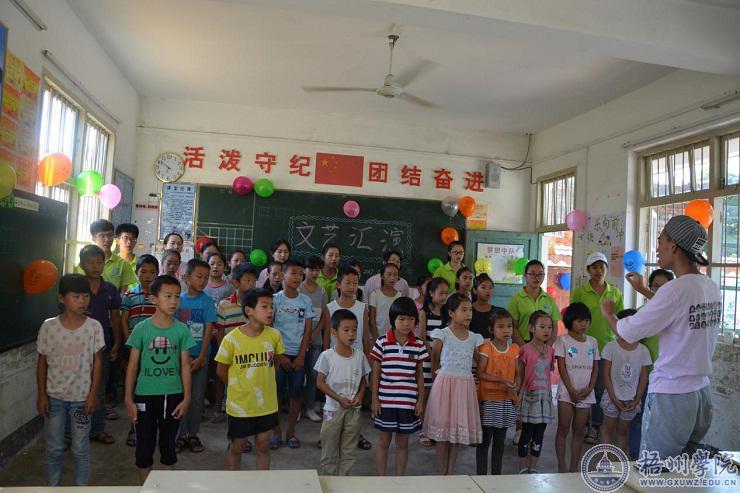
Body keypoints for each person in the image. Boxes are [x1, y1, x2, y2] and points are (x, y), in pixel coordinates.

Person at [600, 215, 720, 461]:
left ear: (673, 245)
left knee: (657, 471)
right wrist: (644, 290)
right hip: (700, 394)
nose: (657, 248)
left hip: (672, 395)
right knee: (685, 470)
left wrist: (609, 315)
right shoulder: (709, 285)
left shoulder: (674, 290)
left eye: (660, 241)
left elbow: (627, 332)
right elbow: (677, 310)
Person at [124, 275, 194, 483]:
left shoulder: (181, 330)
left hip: (173, 396)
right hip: (144, 395)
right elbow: (132, 366)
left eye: (177, 296)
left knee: (168, 447)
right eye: (168, 296)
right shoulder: (141, 329)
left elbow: (185, 366)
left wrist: (187, 398)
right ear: (154, 299)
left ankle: (165, 488)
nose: (173, 301)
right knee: (144, 448)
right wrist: (128, 399)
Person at [37, 274, 104, 486]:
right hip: (54, 398)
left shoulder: (94, 327)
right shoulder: (49, 327)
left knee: (80, 448)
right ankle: (52, 488)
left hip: (82, 400)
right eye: (76, 296)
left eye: (86, 296)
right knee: (54, 448)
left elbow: (98, 362)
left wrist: (93, 394)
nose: (82, 301)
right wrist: (42, 395)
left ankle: (80, 488)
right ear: (62, 298)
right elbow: (42, 362)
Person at [215, 288, 288, 471]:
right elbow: (221, 371)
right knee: (237, 447)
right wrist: (239, 387)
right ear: (249, 310)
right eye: (264, 306)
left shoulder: (274, 335)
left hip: (267, 404)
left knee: (263, 445)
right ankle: (233, 483)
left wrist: (263, 381)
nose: (270, 311)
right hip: (240, 405)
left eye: (272, 306)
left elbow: (276, 362)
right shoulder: (231, 339)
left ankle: (261, 484)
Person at [424, 293, 484, 475]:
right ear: (451, 313)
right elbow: (434, 360)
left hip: (464, 387)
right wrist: (438, 382)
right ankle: (440, 472)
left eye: (470, 310)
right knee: (443, 435)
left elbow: (480, 361)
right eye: (463, 310)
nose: (469, 314)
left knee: (456, 434)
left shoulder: (474, 337)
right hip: (444, 387)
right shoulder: (442, 334)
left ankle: (450, 473)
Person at [570, 252, 623, 444]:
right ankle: (582, 424)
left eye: (602, 267)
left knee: (600, 389)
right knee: (583, 386)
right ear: (588, 270)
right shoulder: (579, 292)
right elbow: (572, 319)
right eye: (594, 267)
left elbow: (620, 321)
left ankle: (596, 426)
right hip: (583, 348)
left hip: (607, 348)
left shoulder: (615, 292)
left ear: (606, 269)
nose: (598, 271)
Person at [370, 297, 428, 476]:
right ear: (393, 319)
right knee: (383, 442)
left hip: (407, 403)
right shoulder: (382, 342)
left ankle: (399, 480)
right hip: (385, 402)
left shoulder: (418, 345)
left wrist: (420, 401)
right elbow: (376, 374)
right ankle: (382, 479)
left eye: (411, 319)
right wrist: (374, 400)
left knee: (403, 444)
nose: (406, 323)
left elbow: (419, 376)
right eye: (401, 319)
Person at [624, 268, 675, 459]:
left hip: (669, 378)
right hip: (644, 377)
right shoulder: (642, 313)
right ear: (649, 287)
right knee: (639, 418)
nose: (659, 291)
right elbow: (630, 342)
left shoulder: (676, 313)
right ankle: (635, 458)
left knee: (664, 423)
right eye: (655, 286)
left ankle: (660, 462)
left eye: (665, 287)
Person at [315, 309, 371, 476]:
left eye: (354, 329)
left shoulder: (359, 355)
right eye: (346, 330)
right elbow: (320, 382)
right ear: (334, 332)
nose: (351, 334)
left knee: (349, 449)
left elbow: (363, 380)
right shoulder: (327, 356)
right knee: (329, 447)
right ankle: (329, 480)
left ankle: (344, 479)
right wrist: (338, 399)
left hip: (353, 410)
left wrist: (360, 396)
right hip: (332, 410)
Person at [325, 266, 374, 452]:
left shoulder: (362, 308)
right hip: (335, 361)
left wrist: (368, 359)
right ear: (338, 284)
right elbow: (326, 337)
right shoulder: (330, 307)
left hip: (355, 360)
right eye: (348, 283)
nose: (352, 286)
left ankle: (355, 434)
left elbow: (366, 336)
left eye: (355, 283)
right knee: (332, 399)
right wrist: (325, 360)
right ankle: (329, 433)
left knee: (354, 399)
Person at [78, 244, 121, 444]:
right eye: (90, 263)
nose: (96, 266)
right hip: (77, 346)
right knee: (78, 389)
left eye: (99, 262)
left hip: (102, 346)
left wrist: (117, 342)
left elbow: (115, 318)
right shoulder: (77, 288)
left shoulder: (110, 289)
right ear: (81, 265)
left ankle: (97, 429)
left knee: (99, 388)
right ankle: (76, 430)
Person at [271, 259, 315, 449]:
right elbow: (269, 329)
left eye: (300, 274)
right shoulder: (275, 300)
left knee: (296, 394)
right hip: (278, 356)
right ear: (283, 275)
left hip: (298, 357)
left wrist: (301, 356)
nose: (298, 277)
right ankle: (276, 432)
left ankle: (291, 432)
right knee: (275, 394)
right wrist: (279, 356)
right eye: (293, 273)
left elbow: (308, 331)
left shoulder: (305, 301)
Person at [176, 258, 217, 453]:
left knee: (197, 398)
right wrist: (181, 356)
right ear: (187, 277)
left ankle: (193, 434)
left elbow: (209, 331)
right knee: (180, 395)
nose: (203, 281)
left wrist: (201, 356)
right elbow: (174, 330)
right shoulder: (178, 300)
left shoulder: (207, 302)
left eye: (206, 278)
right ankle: (180, 434)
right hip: (181, 358)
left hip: (201, 358)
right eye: (199, 276)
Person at [555, 302, 600, 473]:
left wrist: (590, 388)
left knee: (579, 431)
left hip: (586, 393)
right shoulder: (562, 340)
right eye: (579, 321)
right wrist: (571, 390)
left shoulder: (593, 341)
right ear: (570, 320)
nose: (584, 324)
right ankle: (562, 466)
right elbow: (561, 367)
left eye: (586, 320)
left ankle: (574, 467)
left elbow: (596, 368)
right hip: (567, 393)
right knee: (563, 429)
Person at [212, 263, 259, 427]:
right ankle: (235, 427)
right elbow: (220, 332)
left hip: (252, 357)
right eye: (247, 280)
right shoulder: (224, 305)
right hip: (232, 357)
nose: (252, 284)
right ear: (236, 282)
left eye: (254, 280)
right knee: (233, 392)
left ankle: (248, 424)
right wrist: (223, 355)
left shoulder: (257, 306)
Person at [599, 309, 651, 454]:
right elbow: (606, 375)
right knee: (608, 429)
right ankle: (605, 461)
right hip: (612, 398)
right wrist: (614, 398)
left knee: (623, 432)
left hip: (631, 401)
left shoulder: (643, 351)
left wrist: (636, 400)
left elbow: (644, 378)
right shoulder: (611, 347)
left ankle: (620, 463)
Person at [121, 254, 160, 447]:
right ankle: (134, 428)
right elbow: (123, 320)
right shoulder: (129, 295)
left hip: (154, 352)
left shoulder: (158, 297)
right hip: (135, 349)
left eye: (152, 272)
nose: (148, 276)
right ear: (136, 272)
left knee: (151, 389)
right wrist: (130, 342)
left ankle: (151, 427)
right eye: (143, 271)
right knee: (135, 389)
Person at [476, 308, 520, 476]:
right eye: (500, 326)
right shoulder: (486, 348)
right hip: (489, 400)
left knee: (500, 442)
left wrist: (516, 386)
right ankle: (481, 477)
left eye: (509, 326)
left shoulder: (514, 349)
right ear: (491, 329)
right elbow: (480, 373)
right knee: (485, 441)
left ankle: (496, 477)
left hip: (506, 400)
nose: (506, 330)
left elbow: (518, 374)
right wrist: (501, 380)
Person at [517, 311, 556, 474]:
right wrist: (517, 395)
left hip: (544, 397)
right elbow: (519, 375)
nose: (547, 330)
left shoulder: (551, 351)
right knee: (526, 433)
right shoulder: (524, 350)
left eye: (549, 327)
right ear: (532, 328)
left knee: (539, 434)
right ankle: (522, 466)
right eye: (542, 327)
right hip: (529, 396)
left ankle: (533, 467)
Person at [417, 277, 449, 447]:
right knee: (427, 393)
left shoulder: (447, 313)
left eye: (446, 293)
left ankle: (436, 428)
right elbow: (423, 337)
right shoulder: (424, 313)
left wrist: (443, 358)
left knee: (440, 396)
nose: (444, 297)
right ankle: (424, 429)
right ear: (431, 293)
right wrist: (432, 356)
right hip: (428, 359)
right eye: (441, 293)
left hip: (444, 360)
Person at [299, 255, 329, 423]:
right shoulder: (298, 289)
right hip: (299, 340)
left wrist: (316, 332)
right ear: (304, 270)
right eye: (311, 269)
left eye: (317, 270)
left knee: (313, 375)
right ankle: (296, 407)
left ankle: (309, 407)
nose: (315, 273)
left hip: (316, 341)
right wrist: (306, 334)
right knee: (298, 375)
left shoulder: (322, 291)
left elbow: (324, 315)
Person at [76, 219, 137, 294]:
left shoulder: (123, 264)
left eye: (110, 235)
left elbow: (123, 293)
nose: (107, 239)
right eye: (102, 236)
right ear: (93, 238)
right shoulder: (83, 265)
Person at [508, 260, 561, 347]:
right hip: (522, 344)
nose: (537, 277)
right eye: (532, 274)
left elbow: (554, 327)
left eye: (540, 274)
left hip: (544, 345)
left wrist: (547, 347)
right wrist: (525, 348)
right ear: (525, 275)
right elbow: (512, 327)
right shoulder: (516, 299)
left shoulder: (549, 299)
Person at [368, 263, 401, 340]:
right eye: (389, 274)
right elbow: (372, 320)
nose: (392, 278)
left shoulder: (399, 296)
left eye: (395, 275)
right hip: (378, 337)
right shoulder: (375, 294)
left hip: (394, 338)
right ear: (382, 276)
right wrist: (376, 339)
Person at [469, 273, 497, 338]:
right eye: (483, 287)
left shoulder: (496, 312)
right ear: (475, 290)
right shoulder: (468, 310)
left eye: (490, 288)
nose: (488, 291)